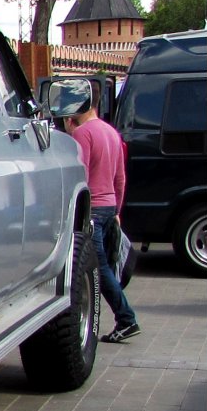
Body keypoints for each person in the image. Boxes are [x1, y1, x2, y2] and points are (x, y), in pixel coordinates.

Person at [63, 82, 140, 343]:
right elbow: (120, 176)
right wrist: (117, 210)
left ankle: (126, 318)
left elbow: (79, 173)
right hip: (108, 208)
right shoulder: (111, 132)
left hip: (92, 209)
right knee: (103, 265)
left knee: (98, 269)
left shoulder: (82, 134)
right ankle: (125, 318)